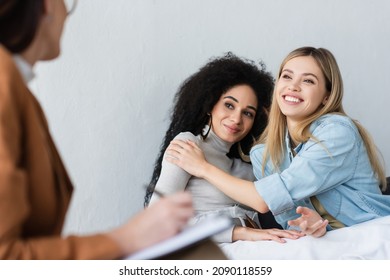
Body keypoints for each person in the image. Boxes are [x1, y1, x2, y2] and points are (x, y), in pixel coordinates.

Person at [0, 0, 200, 260]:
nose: (68, 15)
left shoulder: (17, 89)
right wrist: (125, 239)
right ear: (47, 5)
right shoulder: (4, 86)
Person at [165, 46, 390, 238]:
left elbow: (264, 200)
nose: (293, 86)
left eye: (308, 80)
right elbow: (293, 223)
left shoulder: (337, 133)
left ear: (326, 97)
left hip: (370, 232)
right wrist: (315, 228)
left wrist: (203, 168)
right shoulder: (264, 154)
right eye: (287, 76)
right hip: (331, 242)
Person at [145, 53, 304, 243]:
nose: (236, 119)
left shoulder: (248, 168)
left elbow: (281, 201)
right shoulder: (189, 145)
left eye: (248, 113)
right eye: (229, 105)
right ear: (210, 104)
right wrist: (238, 232)